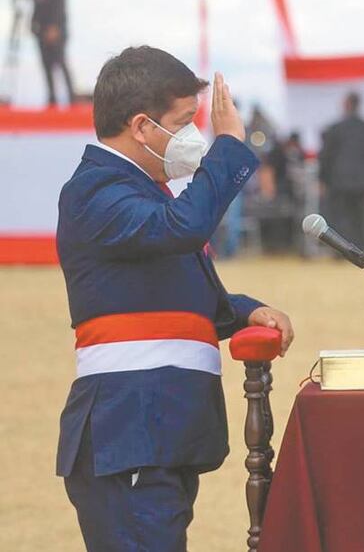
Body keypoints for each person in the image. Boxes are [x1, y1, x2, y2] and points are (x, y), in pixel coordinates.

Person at [55, 46, 295, 550]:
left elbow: (170, 293)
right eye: (186, 122)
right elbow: (182, 229)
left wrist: (245, 309)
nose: (196, 137)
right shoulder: (96, 190)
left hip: (157, 433)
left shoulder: (142, 192)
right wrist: (228, 148)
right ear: (142, 126)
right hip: (131, 434)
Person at [319, 91, 364, 249]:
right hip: (361, 180)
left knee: (339, 216)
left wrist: (322, 179)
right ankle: (361, 249)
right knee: (361, 217)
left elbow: (325, 156)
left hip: (339, 180)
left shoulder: (335, 128)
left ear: (346, 104)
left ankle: (341, 250)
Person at [30, 0, 75, 106]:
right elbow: (38, 4)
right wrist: (33, 23)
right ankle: (52, 98)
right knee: (46, 64)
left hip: (56, 27)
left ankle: (72, 98)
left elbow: (58, 4)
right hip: (41, 29)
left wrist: (54, 26)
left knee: (60, 61)